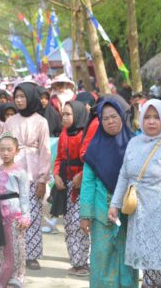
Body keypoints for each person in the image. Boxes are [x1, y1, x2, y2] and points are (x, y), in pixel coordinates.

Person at [109, 99, 161, 287]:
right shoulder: (134, 143)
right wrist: (115, 204)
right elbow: (124, 175)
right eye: (148, 117)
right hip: (139, 212)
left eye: (157, 117)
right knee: (146, 260)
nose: (151, 121)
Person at [79, 100, 138, 288]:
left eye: (114, 116)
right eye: (105, 118)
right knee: (102, 259)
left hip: (129, 213)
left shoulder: (135, 144)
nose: (110, 121)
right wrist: (85, 215)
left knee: (127, 260)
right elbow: (87, 183)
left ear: (121, 116)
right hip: (101, 213)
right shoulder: (94, 149)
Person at [3, 82, 51, 270]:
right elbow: (4, 146)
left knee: (32, 213)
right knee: (13, 213)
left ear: (31, 97)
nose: (19, 100)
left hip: (33, 171)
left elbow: (45, 150)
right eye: (17, 97)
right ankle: (14, 252)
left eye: (23, 96)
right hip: (13, 172)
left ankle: (32, 255)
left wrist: (43, 179)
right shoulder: (10, 121)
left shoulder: (41, 121)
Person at [53, 100, 90, 276]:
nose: (65, 118)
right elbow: (59, 158)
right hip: (66, 183)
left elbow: (90, 161)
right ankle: (76, 261)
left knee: (79, 223)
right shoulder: (64, 134)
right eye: (63, 114)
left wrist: (81, 175)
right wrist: (56, 175)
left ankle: (83, 262)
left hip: (82, 186)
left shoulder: (85, 134)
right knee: (68, 224)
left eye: (68, 114)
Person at [0, 133, 30, 288]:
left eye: (9, 149)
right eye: (2, 150)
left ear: (16, 151)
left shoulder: (20, 172)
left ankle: (16, 278)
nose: (5, 153)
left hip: (15, 215)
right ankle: (1, 279)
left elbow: (25, 195)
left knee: (15, 247)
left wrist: (25, 216)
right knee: (0, 248)